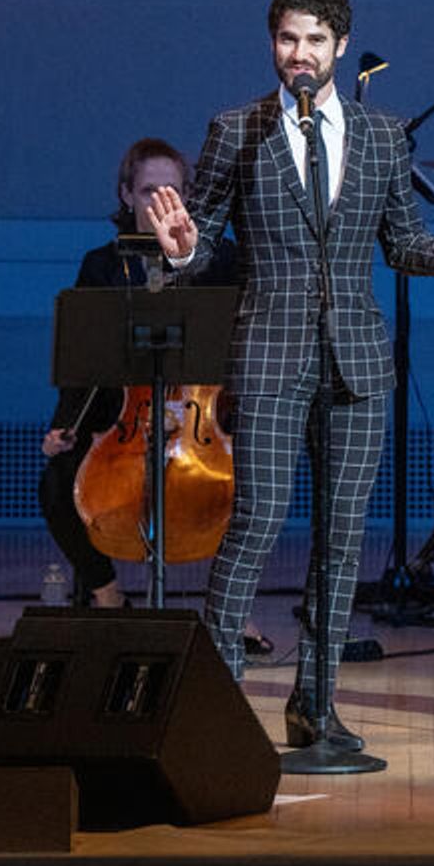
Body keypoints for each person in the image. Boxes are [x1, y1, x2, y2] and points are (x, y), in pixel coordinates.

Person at [145, 0, 434, 750]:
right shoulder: (237, 129)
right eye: (289, 40)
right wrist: (184, 248)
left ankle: (315, 708)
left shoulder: (382, 135)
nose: (301, 54)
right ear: (273, 46)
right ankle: (212, 708)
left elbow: (403, 242)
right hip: (268, 355)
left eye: (315, 41)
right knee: (255, 523)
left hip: (355, 361)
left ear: (340, 47)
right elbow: (205, 236)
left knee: (341, 536)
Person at [38, 139, 267, 653]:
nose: (161, 204)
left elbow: (245, 351)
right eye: (147, 192)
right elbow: (83, 366)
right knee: (56, 484)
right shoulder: (101, 265)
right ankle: (107, 594)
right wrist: (64, 425)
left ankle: (231, 608)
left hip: (203, 420)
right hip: (120, 422)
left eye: (173, 192)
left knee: (258, 480)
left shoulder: (221, 258)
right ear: (125, 195)